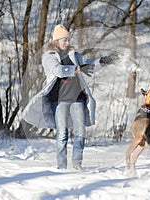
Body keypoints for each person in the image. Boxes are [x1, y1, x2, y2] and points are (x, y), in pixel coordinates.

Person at [21, 24, 116, 169]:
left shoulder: (75, 55)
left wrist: (103, 61)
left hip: (77, 98)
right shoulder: (49, 56)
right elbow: (58, 71)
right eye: (64, 39)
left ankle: (77, 164)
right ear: (56, 41)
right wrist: (77, 69)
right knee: (62, 134)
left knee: (80, 132)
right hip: (59, 100)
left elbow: (90, 66)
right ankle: (62, 167)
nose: (67, 42)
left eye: (68, 39)